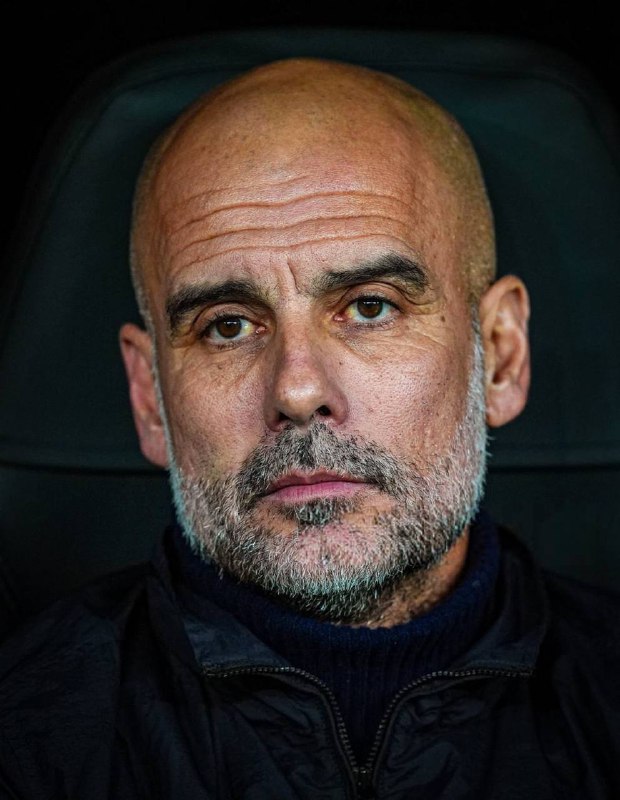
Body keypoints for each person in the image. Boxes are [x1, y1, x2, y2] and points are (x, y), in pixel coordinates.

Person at [0, 57, 618, 799]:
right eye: (227, 325)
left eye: (370, 307)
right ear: (150, 398)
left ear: (500, 357)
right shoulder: (25, 738)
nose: (297, 391)